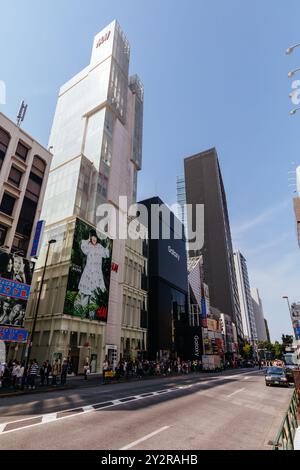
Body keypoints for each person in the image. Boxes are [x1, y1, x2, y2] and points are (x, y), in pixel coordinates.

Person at [75, 231, 110, 318]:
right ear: (91, 238)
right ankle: (80, 313)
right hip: (88, 273)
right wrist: (88, 238)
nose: (94, 239)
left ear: (97, 238)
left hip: (97, 274)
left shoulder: (99, 247)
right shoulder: (88, 246)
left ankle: (92, 316)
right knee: (84, 294)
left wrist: (108, 244)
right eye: (92, 237)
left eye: (95, 237)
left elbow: (106, 254)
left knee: (94, 295)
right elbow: (83, 246)